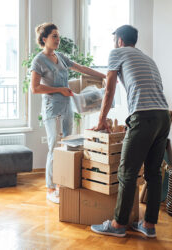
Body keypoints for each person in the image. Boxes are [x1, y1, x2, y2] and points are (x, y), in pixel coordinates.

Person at [90, 25, 170, 238]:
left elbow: (109, 88)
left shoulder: (117, 52)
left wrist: (101, 120)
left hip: (144, 117)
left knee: (127, 173)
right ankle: (149, 225)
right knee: (153, 174)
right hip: (163, 116)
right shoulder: (147, 58)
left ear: (119, 40)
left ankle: (117, 225)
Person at [30, 23, 106, 204]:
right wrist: (58, 90)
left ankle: (62, 184)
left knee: (69, 145)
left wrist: (104, 76)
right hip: (52, 110)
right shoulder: (38, 61)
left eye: (58, 36)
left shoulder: (61, 57)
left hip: (67, 108)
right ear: (44, 39)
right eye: (54, 36)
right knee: (54, 147)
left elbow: (82, 68)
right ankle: (50, 188)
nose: (58, 39)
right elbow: (34, 88)